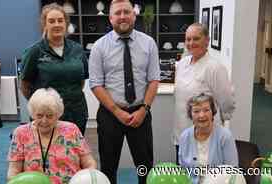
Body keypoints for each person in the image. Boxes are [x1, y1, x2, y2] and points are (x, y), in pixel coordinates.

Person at [88, 0, 161, 183]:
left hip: (141, 113)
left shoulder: (149, 44)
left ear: (134, 15)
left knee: (145, 166)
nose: (122, 16)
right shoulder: (99, 47)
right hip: (110, 114)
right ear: (110, 18)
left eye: (126, 12)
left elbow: (153, 80)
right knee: (108, 166)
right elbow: (96, 84)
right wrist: (117, 111)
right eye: (118, 13)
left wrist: (144, 109)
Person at [20, 3, 89, 135]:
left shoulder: (77, 49)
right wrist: (42, 105)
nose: (56, 24)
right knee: (50, 152)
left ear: (66, 23)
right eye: (51, 21)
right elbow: (25, 85)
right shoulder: (34, 51)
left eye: (60, 20)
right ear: (45, 25)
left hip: (77, 113)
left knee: (74, 151)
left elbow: (81, 82)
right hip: (47, 117)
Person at [7, 88, 97, 184]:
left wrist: (88, 179)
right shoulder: (21, 133)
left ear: (58, 114)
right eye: (39, 115)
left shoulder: (71, 130)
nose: (44, 121)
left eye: (49, 116)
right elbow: (13, 172)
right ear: (32, 114)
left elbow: (89, 163)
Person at [174, 23, 235, 161]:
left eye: (196, 38)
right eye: (188, 39)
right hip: (181, 131)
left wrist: (222, 124)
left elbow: (227, 101)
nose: (191, 43)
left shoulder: (215, 68)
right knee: (184, 177)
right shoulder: (182, 64)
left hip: (206, 134)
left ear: (207, 40)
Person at [178, 93, 238, 184]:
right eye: (196, 111)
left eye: (206, 110)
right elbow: (182, 172)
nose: (201, 115)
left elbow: (232, 173)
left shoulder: (225, 136)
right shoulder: (184, 137)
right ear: (191, 115)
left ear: (212, 112)